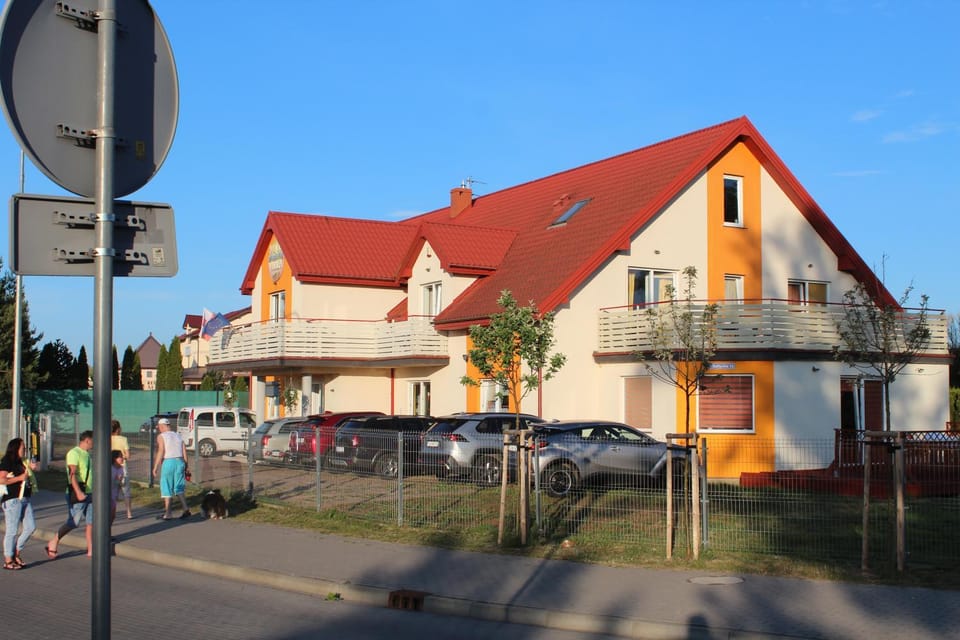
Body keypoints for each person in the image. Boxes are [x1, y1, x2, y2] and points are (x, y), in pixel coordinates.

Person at [46, 430, 94, 559]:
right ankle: (54, 541)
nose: (94, 444)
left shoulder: (88, 454)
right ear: (87, 440)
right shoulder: (74, 453)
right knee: (74, 522)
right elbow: (71, 474)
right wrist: (78, 492)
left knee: (91, 522)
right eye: (93, 441)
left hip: (90, 493)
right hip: (78, 493)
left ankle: (91, 549)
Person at [0, 437, 38, 570]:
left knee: (30, 527)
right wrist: (19, 478)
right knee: (12, 530)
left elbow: (27, 476)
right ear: (16, 448)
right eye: (23, 447)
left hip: (25, 499)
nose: (25, 450)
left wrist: (31, 468)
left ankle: (16, 551)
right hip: (12, 500)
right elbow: (2, 480)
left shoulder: (22, 461)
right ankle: (8, 560)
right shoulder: (7, 460)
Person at [152, 418, 191, 519]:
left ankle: (168, 513)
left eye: (159, 427)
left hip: (168, 462)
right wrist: (186, 465)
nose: (159, 429)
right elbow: (184, 451)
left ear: (161, 426)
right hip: (180, 461)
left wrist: (155, 466)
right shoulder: (178, 435)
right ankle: (186, 508)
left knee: (167, 486)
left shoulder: (161, 436)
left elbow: (161, 451)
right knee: (179, 487)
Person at [110, 420, 133, 519]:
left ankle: (111, 509)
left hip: (110, 466)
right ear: (119, 429)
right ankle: (128, 512)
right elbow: (128, 455)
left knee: (111, 489)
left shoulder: (107, 439)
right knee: (126, 490)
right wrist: (122, 458)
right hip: (122, 466)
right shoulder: (123, 439)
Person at [110, 450, 125, 526]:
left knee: (112, 516)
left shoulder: (121, 469)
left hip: (114, 494)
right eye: (120, 457)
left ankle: (107, 533)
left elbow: (120, 483)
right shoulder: (110, 468)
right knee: (109, 515)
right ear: (114, 458)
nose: (122, 458)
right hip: (108, 495)